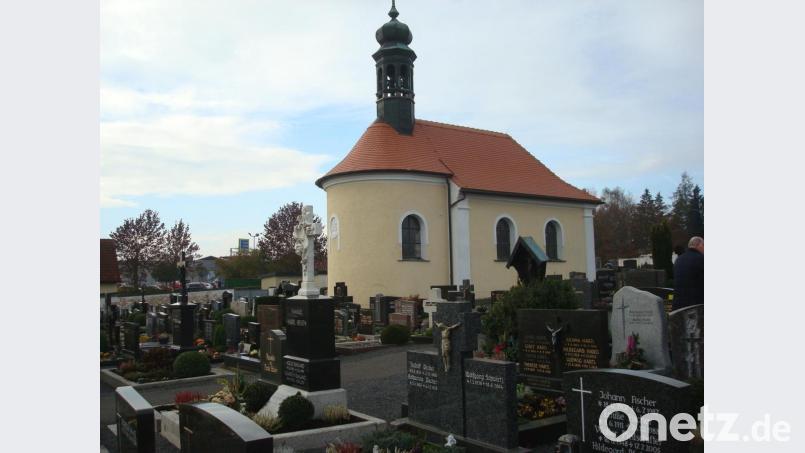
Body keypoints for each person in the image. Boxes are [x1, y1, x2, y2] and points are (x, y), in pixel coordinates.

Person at [672, 236, 704, 310]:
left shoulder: (679, 259)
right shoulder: (701, 259)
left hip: (678, 307)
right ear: (700, 245)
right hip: (696, 307)